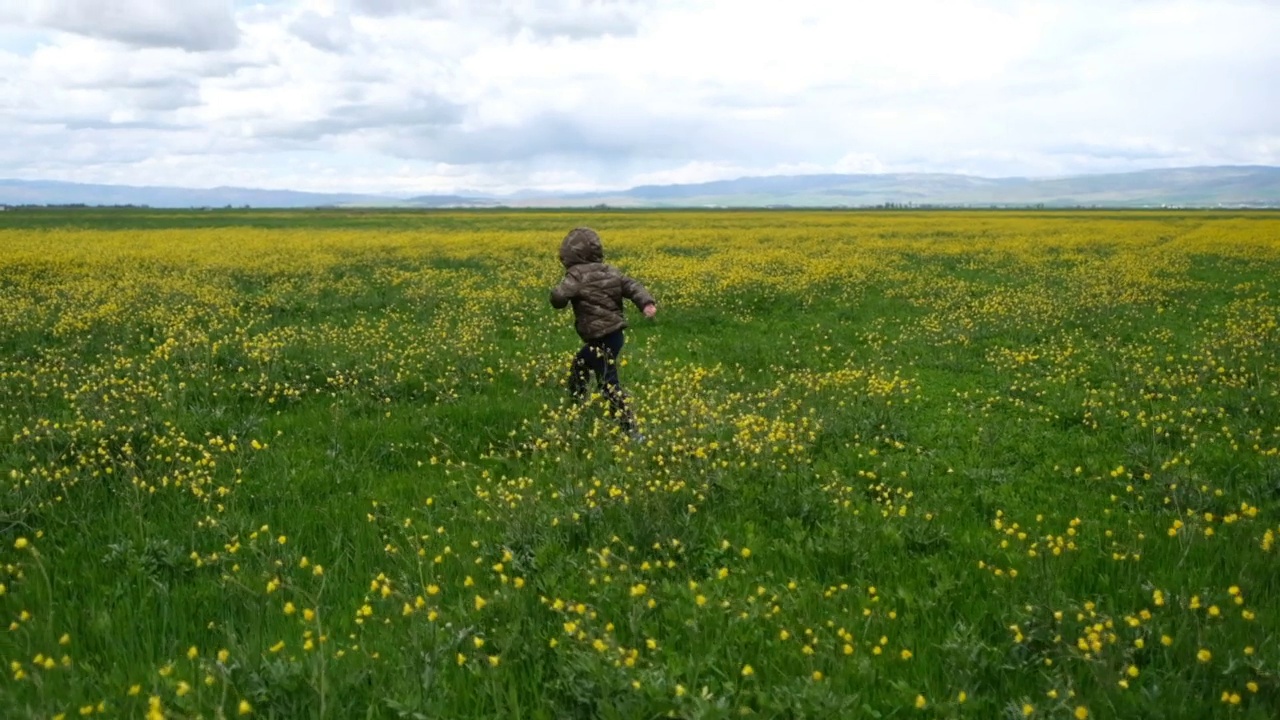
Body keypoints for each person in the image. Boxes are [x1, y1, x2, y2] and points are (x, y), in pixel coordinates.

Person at [550, 227, 656, 438]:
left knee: (608, 382)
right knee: (581, 364)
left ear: (571, 255)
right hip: (615, 336)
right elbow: (632, 286)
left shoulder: (576, 274)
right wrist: (646, 303)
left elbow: (559, 298)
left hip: (600, 337)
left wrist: (556, 294)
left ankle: (632, 431)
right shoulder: (611, 270)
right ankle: (577, 405)